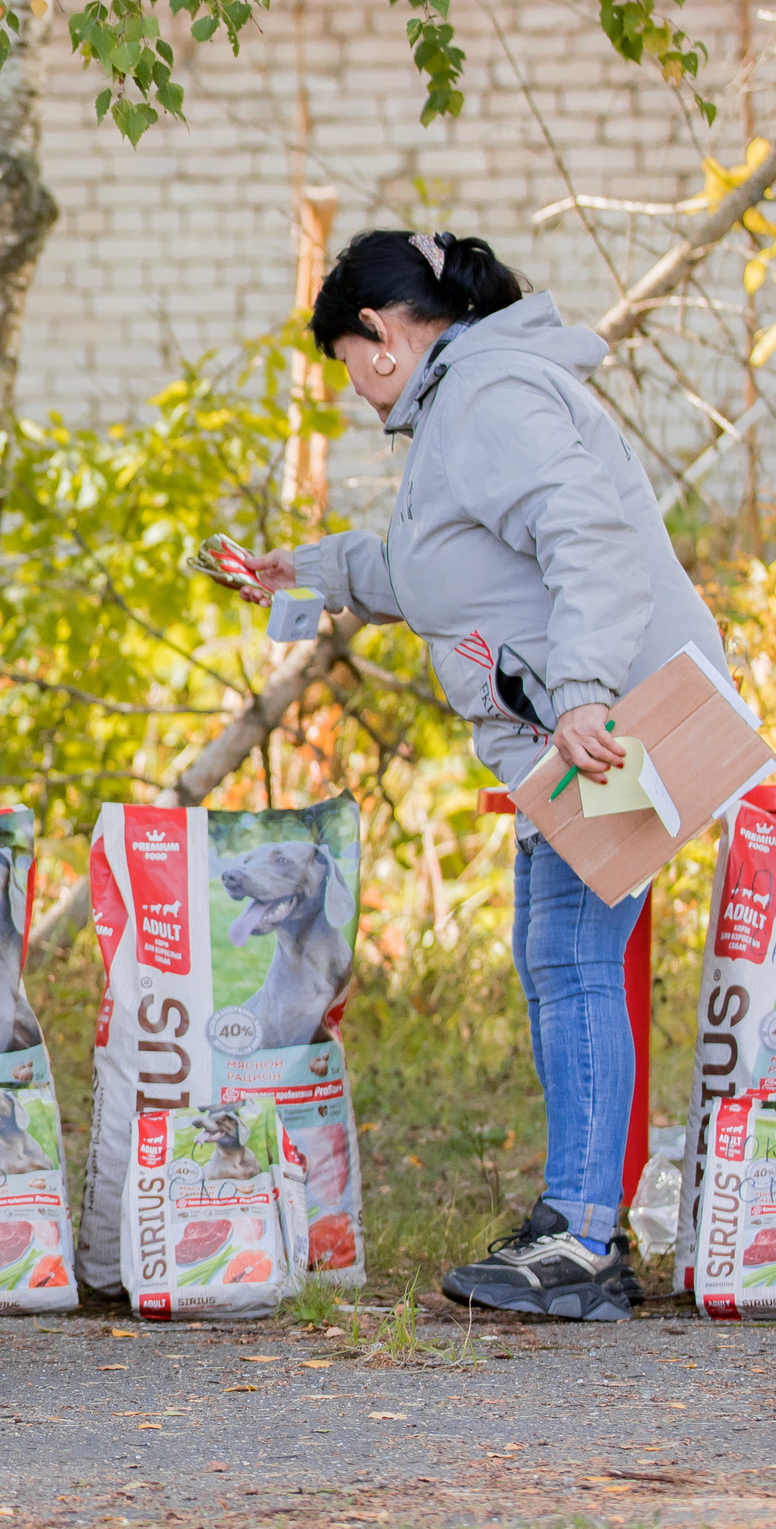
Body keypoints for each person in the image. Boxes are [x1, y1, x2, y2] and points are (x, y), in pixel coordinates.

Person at [249, 228, 731, 1322]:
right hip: (577, 725)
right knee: (558, 954)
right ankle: (574, 1221)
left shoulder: (488, 396)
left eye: (342, 362)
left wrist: (580, 694)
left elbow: (587, 538)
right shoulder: (464, 403)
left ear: (376, 336)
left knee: (568, 956)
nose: (352, 392)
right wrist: (312, 571)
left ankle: (581, 1241)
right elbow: (434, 564)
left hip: (611, 723)